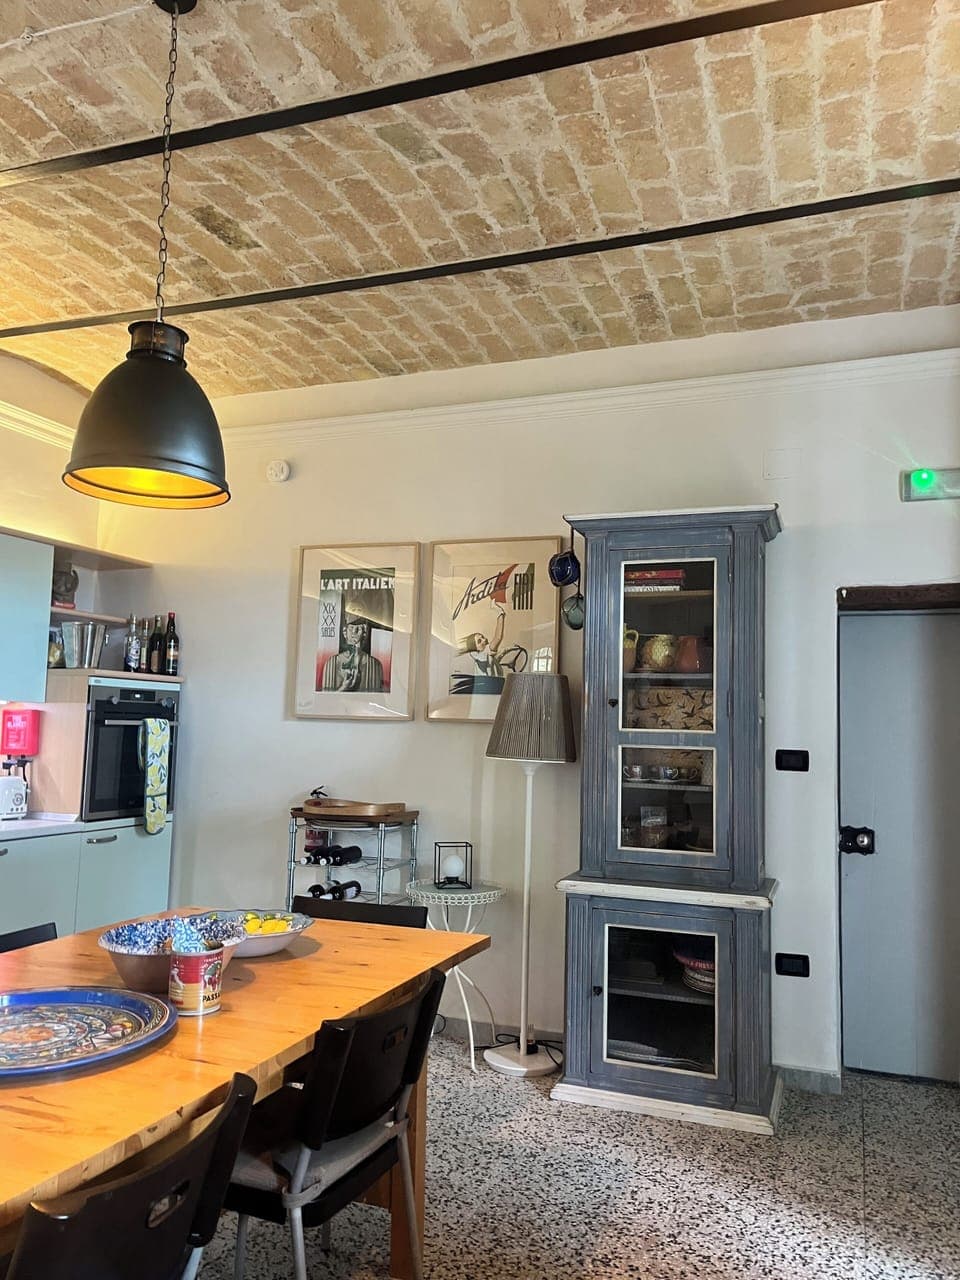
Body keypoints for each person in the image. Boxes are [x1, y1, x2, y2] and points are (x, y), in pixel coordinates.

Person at [322, 618, 384, 693]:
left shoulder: (374, 665)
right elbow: (325, 700)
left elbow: (377, 700)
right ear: (345, 632)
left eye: (359, 628)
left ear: (364, 633)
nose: (354, 631)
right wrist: (344, 687)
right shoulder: (332, 663)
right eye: (351, 628)